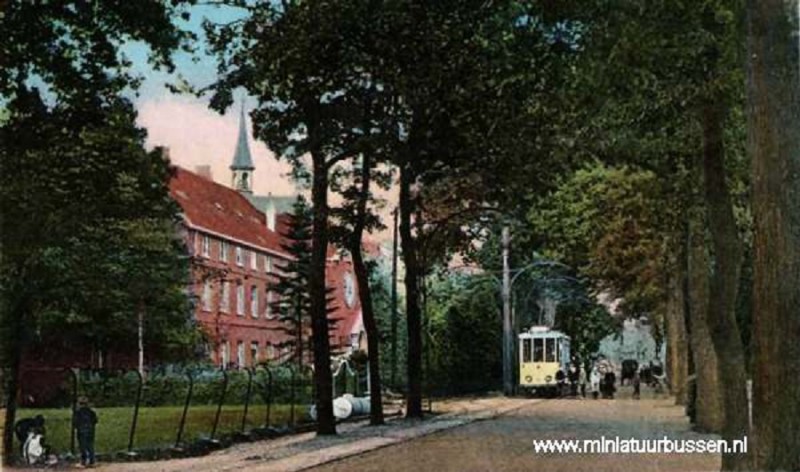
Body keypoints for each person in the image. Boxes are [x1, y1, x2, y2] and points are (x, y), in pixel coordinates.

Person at [72, 396, 98, 468]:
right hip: (91, 430)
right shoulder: (91, 412)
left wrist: (77, 427)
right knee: (90, 446)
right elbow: (95, 421)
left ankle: (83, 462)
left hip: (82, 431)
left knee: (82, 446)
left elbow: (75, 423)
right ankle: (92, 461)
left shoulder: (78, 412)